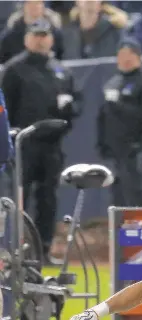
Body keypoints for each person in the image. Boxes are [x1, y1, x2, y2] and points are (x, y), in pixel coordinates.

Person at [0, 18, 81, 265]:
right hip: (23, 145)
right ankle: (16, 249)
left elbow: (74, 107)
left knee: (48, 199)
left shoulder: (61, 70)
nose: (40, 39)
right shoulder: (14, 69)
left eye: (45, 35)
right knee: (17, 198)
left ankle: (43, 250)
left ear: (51, 39)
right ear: (27, 38)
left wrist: (70, 107)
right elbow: (6, 108)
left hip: (51, 145)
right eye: (35, 35)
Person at [97, 37, 142, 207]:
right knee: (118, 199)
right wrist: (102, 144)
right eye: (121, 55)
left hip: (137, 151)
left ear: (138, 57)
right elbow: (103, 116)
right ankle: (121, 233)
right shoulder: (112, 83)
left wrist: (119, 105)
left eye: (129, 55)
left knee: (139, 195)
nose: (125, 59)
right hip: (115, 154)